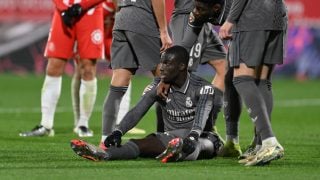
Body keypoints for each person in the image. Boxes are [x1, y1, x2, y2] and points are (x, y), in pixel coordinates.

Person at [70, 46, 223, 162]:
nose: (161, 67)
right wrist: (118, 132)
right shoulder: (158, 86)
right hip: (170, 139)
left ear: (181, 66)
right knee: (140, 144)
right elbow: (138, 110)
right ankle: (102, 154)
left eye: (167, 63)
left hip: (203, 138)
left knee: (199, 145)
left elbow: (202, 114)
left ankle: (180, 149)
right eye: (161, 62)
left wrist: (193, 136)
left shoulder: (202, 87)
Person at [157, 0, 242, 157]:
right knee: (180, 73)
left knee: (225, 68)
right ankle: (164, 133)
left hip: (206, 17)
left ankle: (208, 125)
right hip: (188, 15)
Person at [19, 0, 105, 137]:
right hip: (63, 12)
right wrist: (63, 8)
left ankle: (83, 124)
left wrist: (81, 6)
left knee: (88, 68)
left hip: (90, 11)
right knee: (54, 66)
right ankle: (46, 125)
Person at [219, 0, 288, 165]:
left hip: (252, 17)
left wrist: (230, 20)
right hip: (278, 15)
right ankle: (260, 145)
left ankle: (269, 141)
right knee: (262, 81)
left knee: (241, 78)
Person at [99, 0, 172, 147]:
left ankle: (105, 140)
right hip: (142, 19)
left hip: (121, 18)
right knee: (165, 78)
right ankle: (168, 136)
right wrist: (163, 31)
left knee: (118, 82)